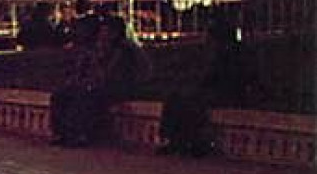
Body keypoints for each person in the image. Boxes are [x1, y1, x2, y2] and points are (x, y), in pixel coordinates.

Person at [159, 9, 256, 156]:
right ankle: (174, 140)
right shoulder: (215, 52)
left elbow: (224, 77)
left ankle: (193, 141)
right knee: (176, 97)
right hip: (215, 90)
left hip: (229, 92)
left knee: (191, 101)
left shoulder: (231, 52)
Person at [49, 13, 146, 147]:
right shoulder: (97, 47)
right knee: (61, 94)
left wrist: (95, 74)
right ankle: (62, 133)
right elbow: (83, 69)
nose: (103, 35)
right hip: (95, 84)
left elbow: (111, 74)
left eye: (106, 32)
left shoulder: (123, 50)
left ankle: (80, 133)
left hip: (118, 87)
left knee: (85, 96)